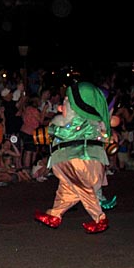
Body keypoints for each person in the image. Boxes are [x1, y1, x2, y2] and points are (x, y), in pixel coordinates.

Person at [34, 82, 113, 234]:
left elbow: (65, 132)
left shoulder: (81, 120)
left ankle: (99, 218)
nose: (63, 104)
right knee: (67, 190)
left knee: (82, 187)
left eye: (67, 101)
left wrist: (51, 129)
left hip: (80, 159)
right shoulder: (85, 121)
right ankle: (54, 214)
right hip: (73, 159)